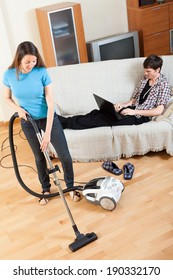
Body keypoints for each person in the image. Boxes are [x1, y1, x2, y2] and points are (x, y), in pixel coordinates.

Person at [2, 41, 81, 205]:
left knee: (65, 155)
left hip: (48, 118)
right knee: (39, 157)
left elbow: (51, 104)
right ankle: (45, 188)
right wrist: (18, 109)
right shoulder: (9, 74)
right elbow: (7, 98)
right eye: (27, 62)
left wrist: (47, 134)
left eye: (33, 61)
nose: (31, 65)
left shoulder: (41, 72)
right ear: (19, 59)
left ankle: (71, 187)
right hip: (28, 122)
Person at [58, 54, 172, 130]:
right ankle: (64, 121)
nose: (145, 73)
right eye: (145, 71)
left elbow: (159, 111)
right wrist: (121, 105)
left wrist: (134, 112)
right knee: (98, 112)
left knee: (103, 119)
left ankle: (63, 123)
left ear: (158, 70)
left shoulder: (163, 85)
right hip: (132, 110)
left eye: (148, 71)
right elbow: (133, 100)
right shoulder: (144, 80)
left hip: (140, 116)